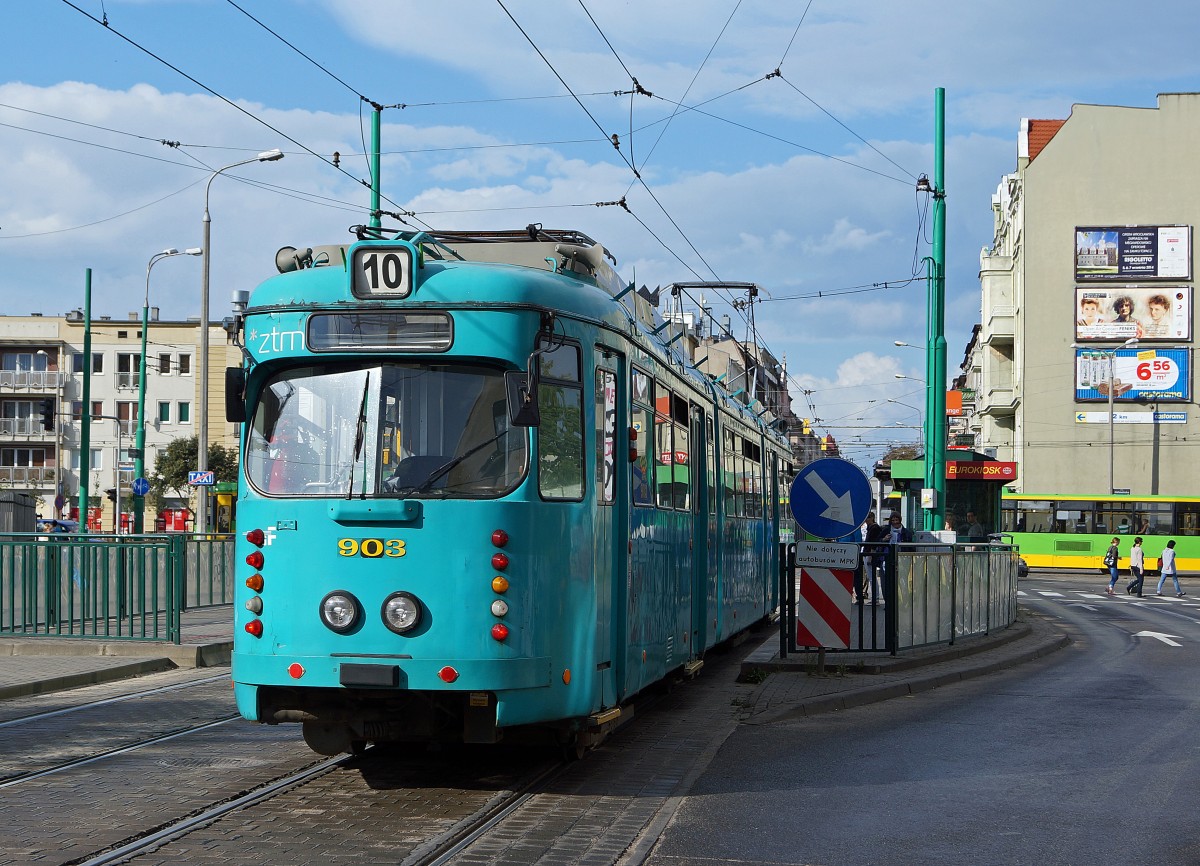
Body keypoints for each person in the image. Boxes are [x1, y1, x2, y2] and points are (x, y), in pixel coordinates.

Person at [881, 511, 914, 605]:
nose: (895, 522)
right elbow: (877, 541)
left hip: (903, 558)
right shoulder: (886, 530)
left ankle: (903, 601)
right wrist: (884, 539)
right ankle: (889, 602)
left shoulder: (906, 532)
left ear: (900, 520)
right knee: (888, 581)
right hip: (888, 558)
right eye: (893, 520)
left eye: (897, 520)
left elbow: (911, 546)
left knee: (902, 580)